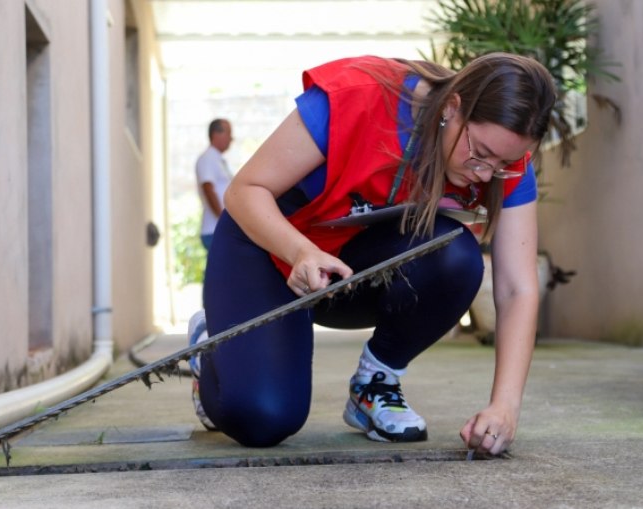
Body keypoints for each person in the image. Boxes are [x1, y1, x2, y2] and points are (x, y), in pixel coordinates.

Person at [187, 53, 556, 455]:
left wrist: (505, 407)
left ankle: (376, 381)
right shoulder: (359, 94)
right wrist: (300, 252)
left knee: (455, 254)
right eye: (480, 153)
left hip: (343, 270)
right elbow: (245, 191)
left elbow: (517, 288)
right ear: (453, 107)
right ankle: (215, 349)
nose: (486, 174)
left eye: (503, 164)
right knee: (263, 418)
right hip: (267, 246)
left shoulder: (501, 158)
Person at [194, 118, 234, 250]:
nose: (231, 139)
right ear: (216, 134)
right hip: (214, 229)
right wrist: (223, 219)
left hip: (219, 228)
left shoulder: (217, 159)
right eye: (228, 133)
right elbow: (208, 189)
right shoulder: (208, 158)